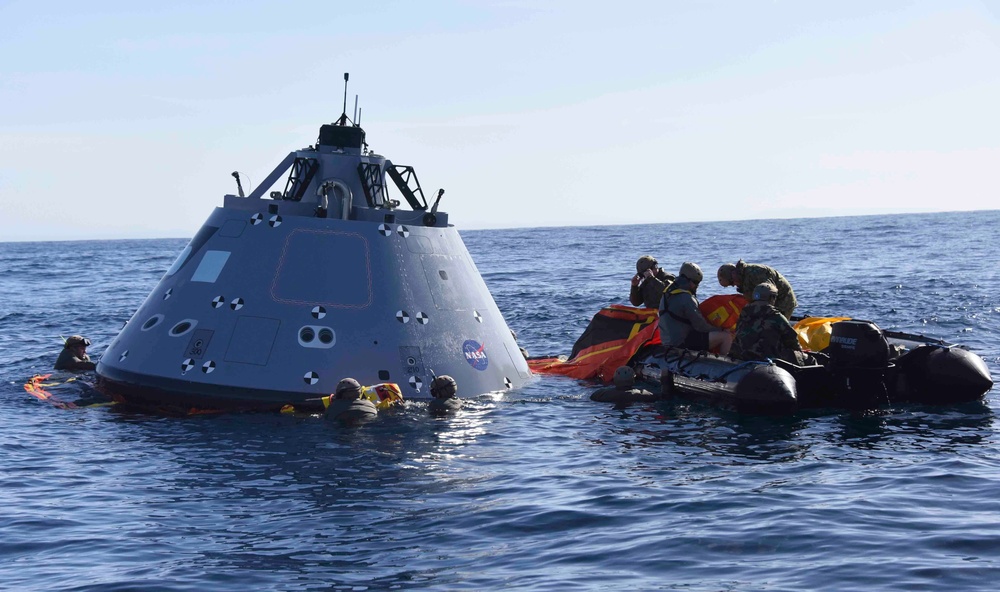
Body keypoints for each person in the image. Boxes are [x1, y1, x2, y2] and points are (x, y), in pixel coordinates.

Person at [658, 262, 732, 355]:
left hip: (667, 342)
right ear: (686, 280)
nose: (697, 286)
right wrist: (721, 329)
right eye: (695, 282)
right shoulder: (686, 298)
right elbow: (700, 326)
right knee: (726, 336)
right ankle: (725, 366)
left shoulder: (667, 293)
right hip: (681, 344)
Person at [731, 282, 805, 364]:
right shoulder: (775, 315)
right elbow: (792, 339)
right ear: (772, 297)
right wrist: (800, 352)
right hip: (767, 358)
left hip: (742, 356)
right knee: (808, 359)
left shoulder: (744, 313)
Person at [717, 260, 797, 319]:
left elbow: (770, 293)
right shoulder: (743, 280)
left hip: (783, 301)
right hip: (768, 305)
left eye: (732, 283)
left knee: (772, 330)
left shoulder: (755, 272)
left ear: (733, 273)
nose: (734, 285)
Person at [590, 366, 655, 404]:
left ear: (615, 378)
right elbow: (662, 397)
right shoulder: (641, 394)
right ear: (632, 379)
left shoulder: (600, 393)